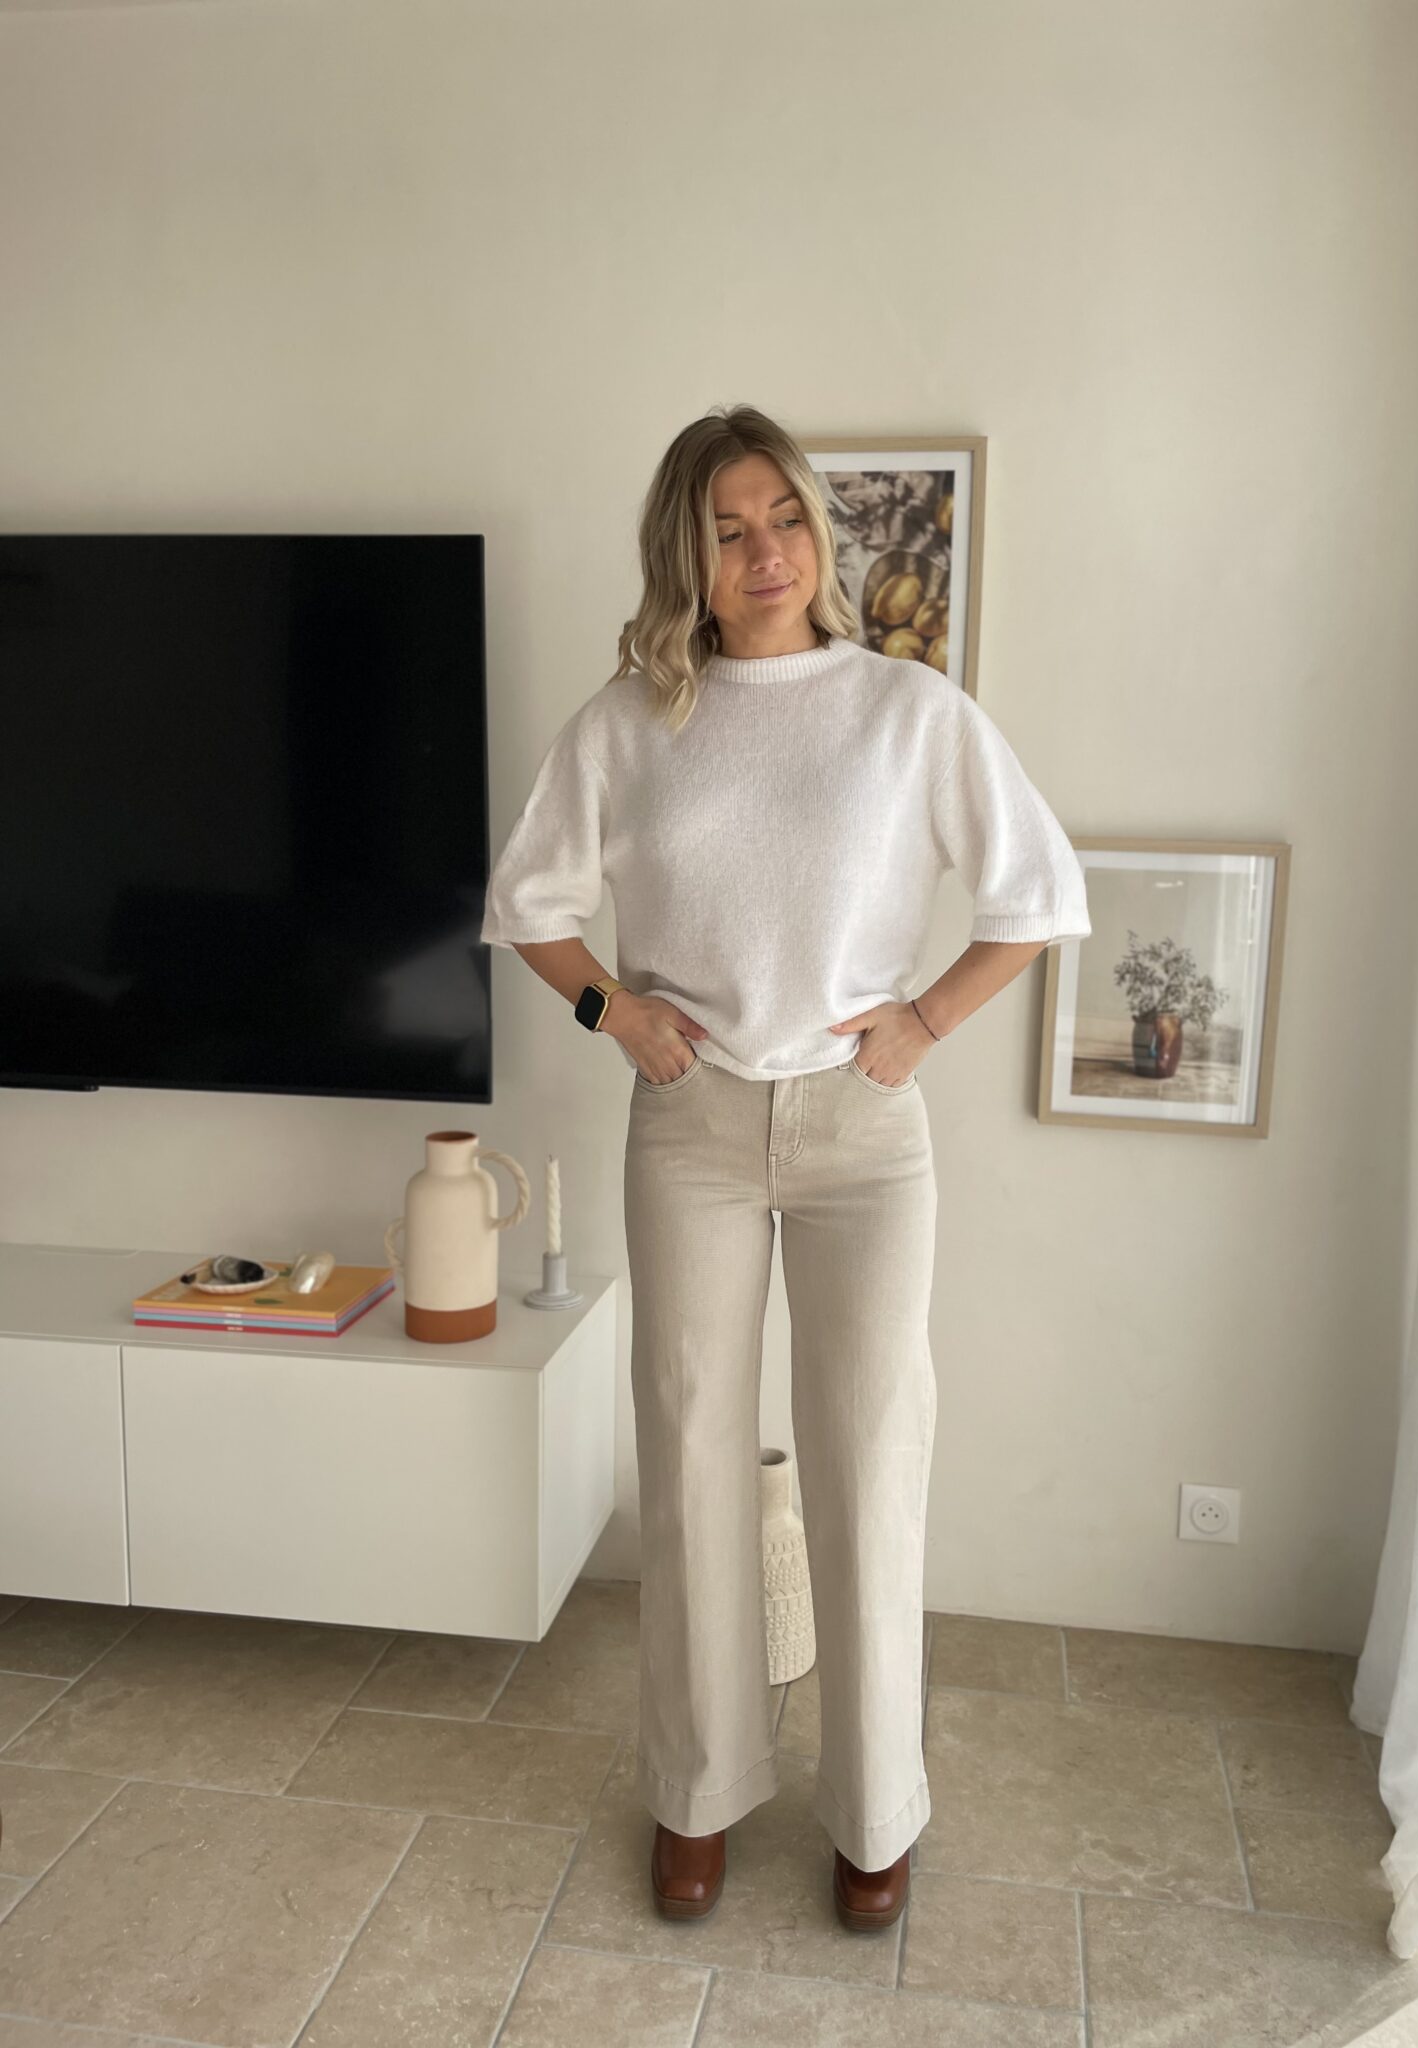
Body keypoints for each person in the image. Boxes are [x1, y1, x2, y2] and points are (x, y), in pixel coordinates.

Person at [480, 403, 1091, 1931]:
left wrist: (925, 1021)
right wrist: (616, 1013)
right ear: (685, 554)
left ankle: (876, 1810)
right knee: (691, 1453)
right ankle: (696, 1794)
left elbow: (1036, 894)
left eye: (787, 519)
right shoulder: (631, 721)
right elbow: (528, 904)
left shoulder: (907, 712)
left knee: (869, 1457)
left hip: (863, 1135)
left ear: (821, 531)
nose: (766, 553)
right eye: (729, 529)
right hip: (689, 1123)